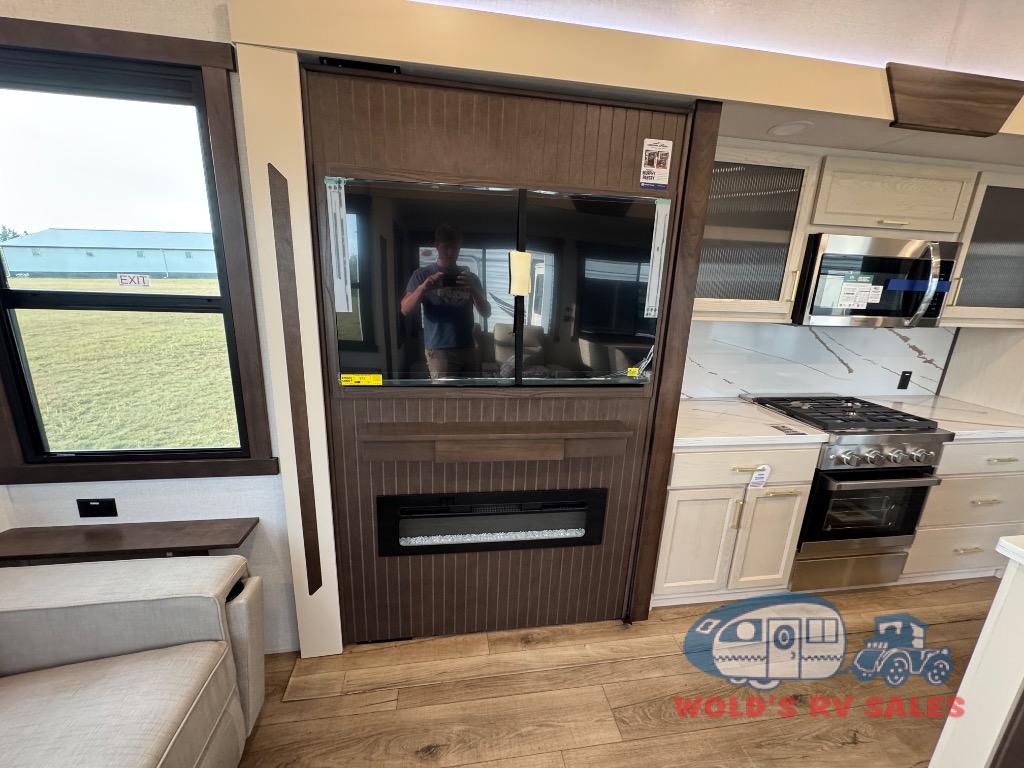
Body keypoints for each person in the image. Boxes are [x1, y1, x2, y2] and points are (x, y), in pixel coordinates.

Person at [401, 223, 491, 380]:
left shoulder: (470, 278)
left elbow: (486, 312)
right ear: (437, 246)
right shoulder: (422, 275)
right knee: (445, 395)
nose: (450, 252)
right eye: (446, 247)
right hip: (439, 351)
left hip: (468, 348)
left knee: (472, 394)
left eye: (455, 248)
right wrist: (423, 287)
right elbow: (405, 309)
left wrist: (473, 289)